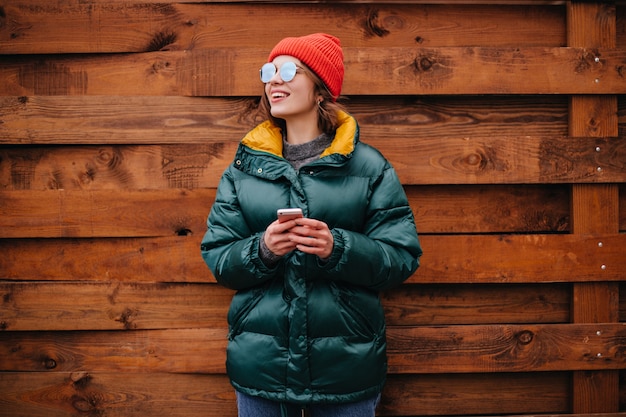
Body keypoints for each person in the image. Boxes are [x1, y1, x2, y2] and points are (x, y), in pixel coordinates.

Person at [200, 33, 422, 417]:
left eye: (288, 70)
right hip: (261, 367)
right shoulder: (242, 170)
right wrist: (262, 249)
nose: (274, 81)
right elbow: (219, 256)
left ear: (320, 89)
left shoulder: (369, 167)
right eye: (268, 71)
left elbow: (401, 256)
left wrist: (339, 249)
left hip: (346, 368)